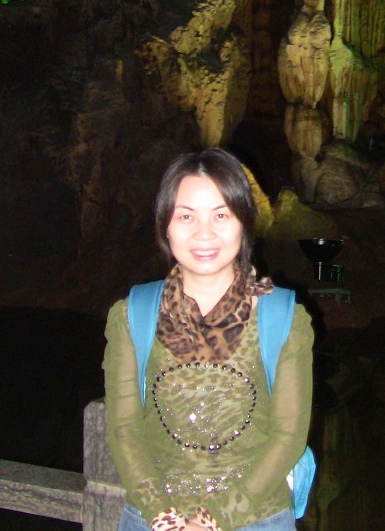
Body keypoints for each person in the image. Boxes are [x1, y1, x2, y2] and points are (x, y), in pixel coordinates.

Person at [103, 148, 314, 531]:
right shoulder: (133, 315)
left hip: (256, 518)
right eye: (186, 216)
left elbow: (288, 435)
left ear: (244, 222)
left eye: (221, 215)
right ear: (165, 225)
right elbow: (124, 428)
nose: (204, 233)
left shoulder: (282, 318)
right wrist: (160, 513)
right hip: (154, 520)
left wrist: (216, 518)